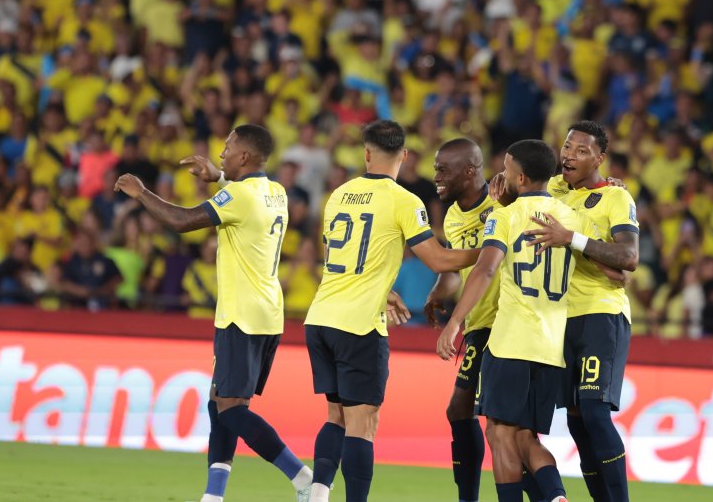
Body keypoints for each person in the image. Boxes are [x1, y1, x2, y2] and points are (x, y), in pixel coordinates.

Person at [114, 124, 313, 502]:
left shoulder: (238, 196)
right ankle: (213, 495)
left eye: (227, 148)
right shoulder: (277, 192)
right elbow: (244, 194)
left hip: (242, 314)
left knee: (231, 411)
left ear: (244, 157)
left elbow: (182, 221)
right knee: (219, 402)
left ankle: (303, 478)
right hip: (267, 312)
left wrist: (141, 193)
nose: (220, 153)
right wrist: (219, 177)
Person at [304, 120, 479, 502]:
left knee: (336, 416)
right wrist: (493, 250)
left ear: (366, 154)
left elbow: (344, 260)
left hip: (320, 318)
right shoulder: (404, 200)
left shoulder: (338, 194)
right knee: (363, 424)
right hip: (358, 325)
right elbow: (438, 260)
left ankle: (315, 495)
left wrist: (385, 290)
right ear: (404, 155)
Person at [437, 139, 588, 502]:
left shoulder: (504, 216)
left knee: (501, 435)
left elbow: (486, 269)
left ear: (520, 177)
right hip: (551, 345)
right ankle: (555, 496)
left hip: (510, 339)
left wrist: (455, 321)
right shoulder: (570, 218)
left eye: (505, 169)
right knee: (525, 437)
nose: (500, 176)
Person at [515, 121, 639, 502]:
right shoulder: (551, 189)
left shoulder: (616, 198)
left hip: (600, 313)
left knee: (595, 411)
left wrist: (573, 240)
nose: (569, 154)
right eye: (567, 146)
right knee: (577, 422)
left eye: (581, 150)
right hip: (558, 319)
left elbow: (628, 257)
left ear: (599, 159)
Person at [422, 138, 498, 502]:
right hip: (478, 322)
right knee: (469, 414)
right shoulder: (453, 215)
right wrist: (439, 290)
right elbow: (459, 263)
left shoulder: (502, 199)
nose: (436, 177)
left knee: (493, 422)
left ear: (470, 170)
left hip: (502, 321)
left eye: (442, 170)